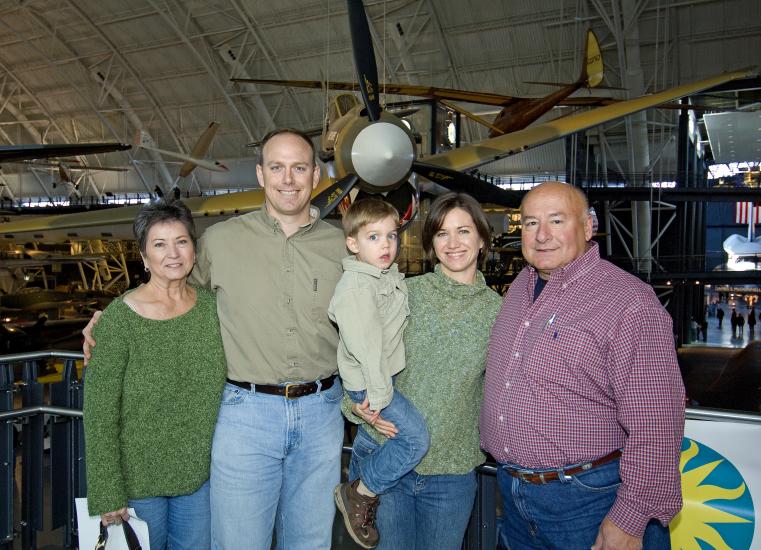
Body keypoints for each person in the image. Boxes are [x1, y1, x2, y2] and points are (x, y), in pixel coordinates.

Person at [84, 129, 347, 550]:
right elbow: (171, 289)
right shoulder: (221, 242)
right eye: (276, 167)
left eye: (299, 167)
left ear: (316, 174)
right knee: (238, 542)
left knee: (311, 541)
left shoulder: (342, 247)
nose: (288, 178)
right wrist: (106, 319)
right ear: (260, 174)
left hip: (322, 414)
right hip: (246, 415)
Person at [481, 181, 685, 550]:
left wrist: (631, 518)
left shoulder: (627, 301)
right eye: (530, 223)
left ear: (588, 226)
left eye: (557, 221)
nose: (542, 235)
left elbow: (656, 419)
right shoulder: (519, 289)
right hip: (514, 499)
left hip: (590, 501)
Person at [346, 192, 502, 550]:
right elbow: (356, 345)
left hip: (451, 473)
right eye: (442, 233)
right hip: (387, 460)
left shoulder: (498, 313)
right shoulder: (403, 293)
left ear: (481, 239)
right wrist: (351, 403)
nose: (453, 243)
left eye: (463, 231)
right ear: (431, 242)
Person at [83, 199, 227, 550]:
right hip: (137, 483)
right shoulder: (119, 319)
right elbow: (99, 412)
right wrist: (107, 490)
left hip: (200, 477)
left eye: (182, 241)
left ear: (194, 248)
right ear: (144, 257)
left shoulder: (214, 308)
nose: (173, 254)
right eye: (159, 245)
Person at [328, 198, 429, 548]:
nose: (386, 245)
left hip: (378, 381)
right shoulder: (357, 289)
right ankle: (359, 492)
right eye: (373, 237)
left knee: (372, 444)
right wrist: (377, 399)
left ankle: (357, 498)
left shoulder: (379, 278)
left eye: (391, 236)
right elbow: (367, 348)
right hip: (374, 385)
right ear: (352, 243)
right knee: (414, 440)